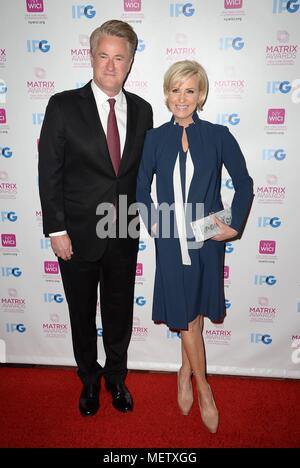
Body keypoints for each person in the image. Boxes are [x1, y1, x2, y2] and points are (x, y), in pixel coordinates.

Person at [38, 20, 153, 417]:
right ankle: (88, 380)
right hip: (76, 236)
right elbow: (49, 170)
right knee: (81, 313)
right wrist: (56, 229)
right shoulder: (63, 105)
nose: (110, 65)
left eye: (119, 57)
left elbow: (143, 173)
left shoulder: (143, 110)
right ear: (91, 57)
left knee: (120, 314)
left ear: (131, 62)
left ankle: (116, 379)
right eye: (103, 55)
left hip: (123, 231)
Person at [136, 60, 253, 433]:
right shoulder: (154, 138)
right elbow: (140, 188)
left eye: (189, 90)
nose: (181, 98)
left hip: (207, 237)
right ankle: (204, 386)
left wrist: (232, 223)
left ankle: (185, 370)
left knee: (196, 309)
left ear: (200, 94)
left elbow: (244, 183)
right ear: (167, 94)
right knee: (186, 316)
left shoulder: (219, 135)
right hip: (170, 239)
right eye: (175, 90)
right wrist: (153, 220)